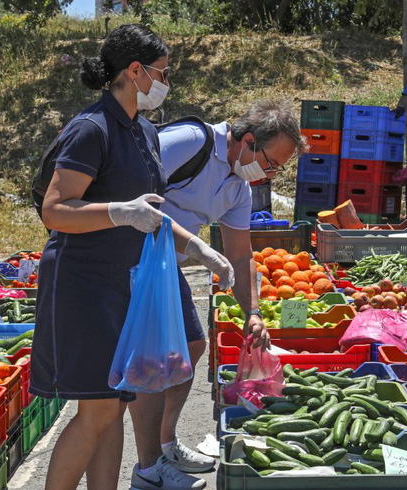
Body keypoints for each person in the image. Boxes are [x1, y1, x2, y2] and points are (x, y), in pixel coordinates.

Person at [29, 23, 234, 490]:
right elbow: (56, 210)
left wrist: (199, 248)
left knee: (114, 403)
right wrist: (120, 212)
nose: (166, 82)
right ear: (135, 70)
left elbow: (152, 213)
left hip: (124, 284)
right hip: (83, 285)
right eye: (162, 72)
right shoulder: (91, 128)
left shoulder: (142, 129)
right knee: (98, 408)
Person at [126, 100, 307, 482]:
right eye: (272, 163)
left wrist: (253, 312)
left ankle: (165, 443)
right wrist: (198, 249)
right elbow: (128, 184)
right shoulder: (192, 142)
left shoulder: (238, 188)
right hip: (126, 258)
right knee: (153, 359)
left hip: (163, 265)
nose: (271, 174)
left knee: (191, 347)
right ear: (249, 141)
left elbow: (242, 258)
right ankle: (147, 468)